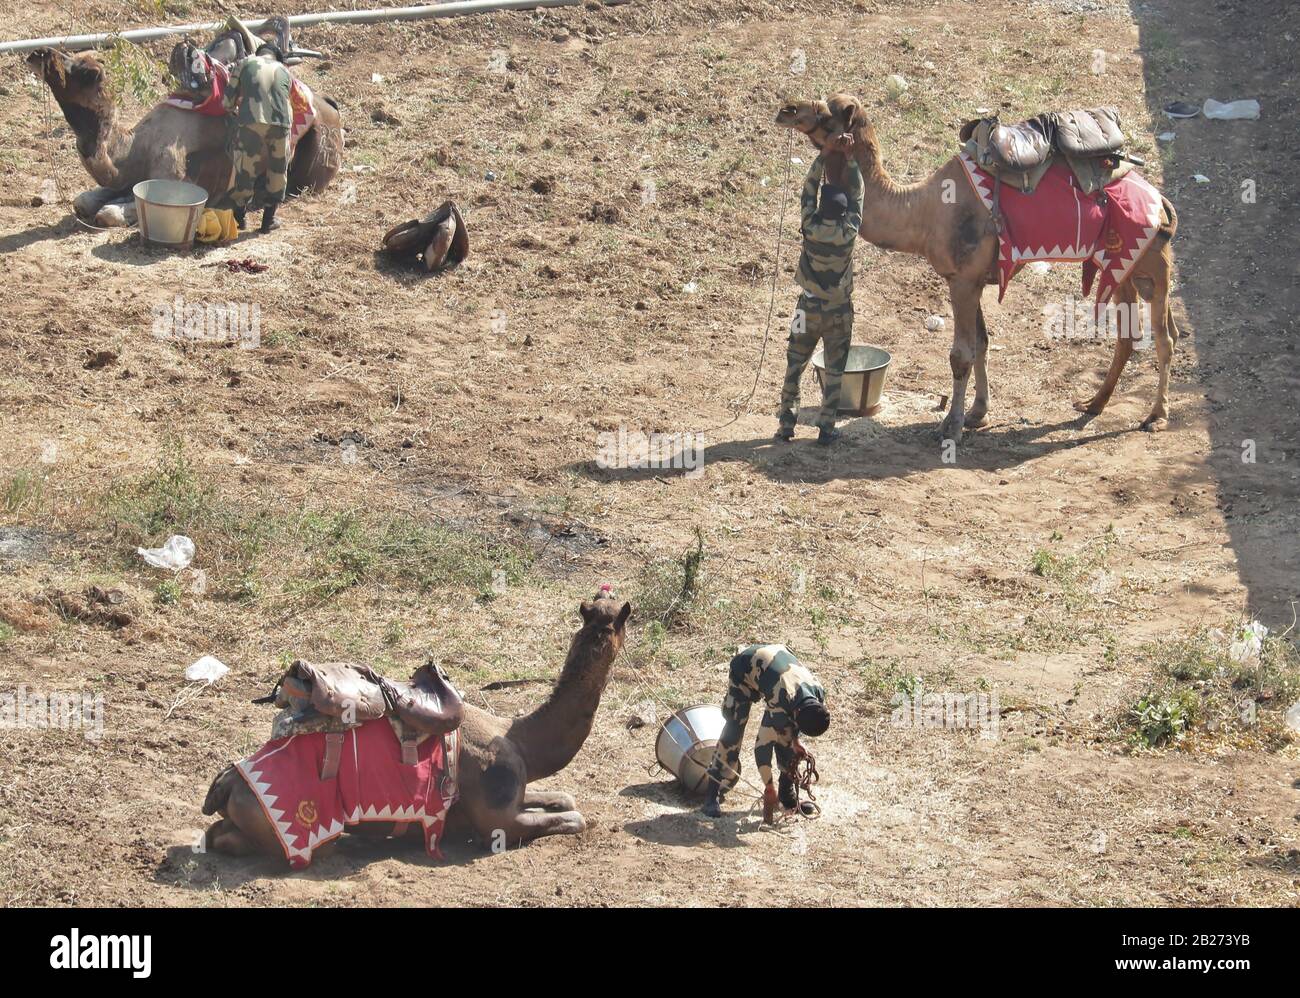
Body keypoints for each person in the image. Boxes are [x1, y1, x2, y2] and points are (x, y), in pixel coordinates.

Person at [776, 144, 864, 446]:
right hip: (838, 312)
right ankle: (826, 427)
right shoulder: (848, 231)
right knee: (835, 370)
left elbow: (807, 191)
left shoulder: (809, 225)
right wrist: (851, 161)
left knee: (794, 364)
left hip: (806, 309)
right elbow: (859, 197)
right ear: (843, 212)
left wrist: (822, 156)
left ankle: (786, 423)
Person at [701, 643, 830, 819]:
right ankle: (712, 791)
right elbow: (762, 748)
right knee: (734, 728)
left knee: (786, 738)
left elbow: (793, 727)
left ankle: (787, 795)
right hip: (746, 667)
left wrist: (796, 742)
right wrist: (769, 787)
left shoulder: (817, 693)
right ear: (797, 712)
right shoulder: (781, 699)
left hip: (774, 666)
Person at [213, 42, 293, 233]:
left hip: (251, 121)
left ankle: (240, 219)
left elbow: (226, 102)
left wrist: (235, 109)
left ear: (258, 54)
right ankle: (268, 220)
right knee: (277, 171)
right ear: (276, 57)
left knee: (245, 170)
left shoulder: (246, 62)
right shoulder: (285, 71)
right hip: (281, 123)